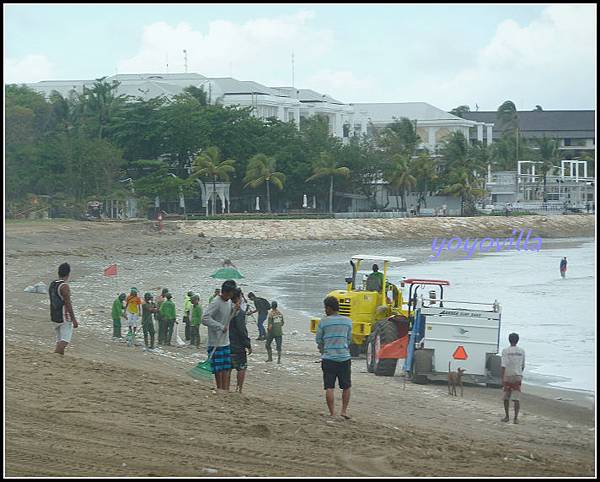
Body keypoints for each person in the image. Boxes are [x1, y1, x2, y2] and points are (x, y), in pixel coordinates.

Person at [316, 296, 353, 419]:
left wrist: (323, 350)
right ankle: (344, 411)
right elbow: (349, 339)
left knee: (329, 387)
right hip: (344, 358)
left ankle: (332, 412)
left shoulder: (323, 322)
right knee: (346, 386)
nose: (325, 310)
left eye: (325, 308)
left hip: (329, 358)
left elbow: (319, 340)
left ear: (329, 308)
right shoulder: (348, 321)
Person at [202, 280, 238, 392]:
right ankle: (220, 388)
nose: (232, 296)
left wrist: (236, 310)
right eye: (231, 293)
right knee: (218, 369)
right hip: (215, 341)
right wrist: (220, 327)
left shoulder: (229, 302)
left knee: (225, 368)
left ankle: (224, 389)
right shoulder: (216, 302)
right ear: (226, 292)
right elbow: (204, 318)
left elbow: (229, 317)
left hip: (225, 341)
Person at [48, 262, 78, 355]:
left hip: (54, 315)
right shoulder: (64, 286)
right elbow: (68, 304)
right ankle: (55, 356)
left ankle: (59, 357)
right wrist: (74, 319)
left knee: (59, 339)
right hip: (64, 316)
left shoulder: (53, 284)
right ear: (68, 274)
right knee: (65, 341)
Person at [229, 288, 252, 392]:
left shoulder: (227, 309)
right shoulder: (239, 313)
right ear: (238, 298)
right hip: (237, 345)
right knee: (241, 367)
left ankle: (226, 386)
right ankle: (239, 389)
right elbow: (242, 330)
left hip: (226, 343)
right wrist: (248, 344)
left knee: (228, 367)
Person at [501, 333, 526, 424]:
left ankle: (507, 416)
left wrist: (502, 378)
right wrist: (519, 373)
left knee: (506, 397)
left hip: (508, 375)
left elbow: (503, 365)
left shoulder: (505, 351)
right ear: (517, 340)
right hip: (518, 375)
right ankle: (515, 418)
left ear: (509, 340)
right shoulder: (522, 351)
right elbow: (523, 365)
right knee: (516, 398)